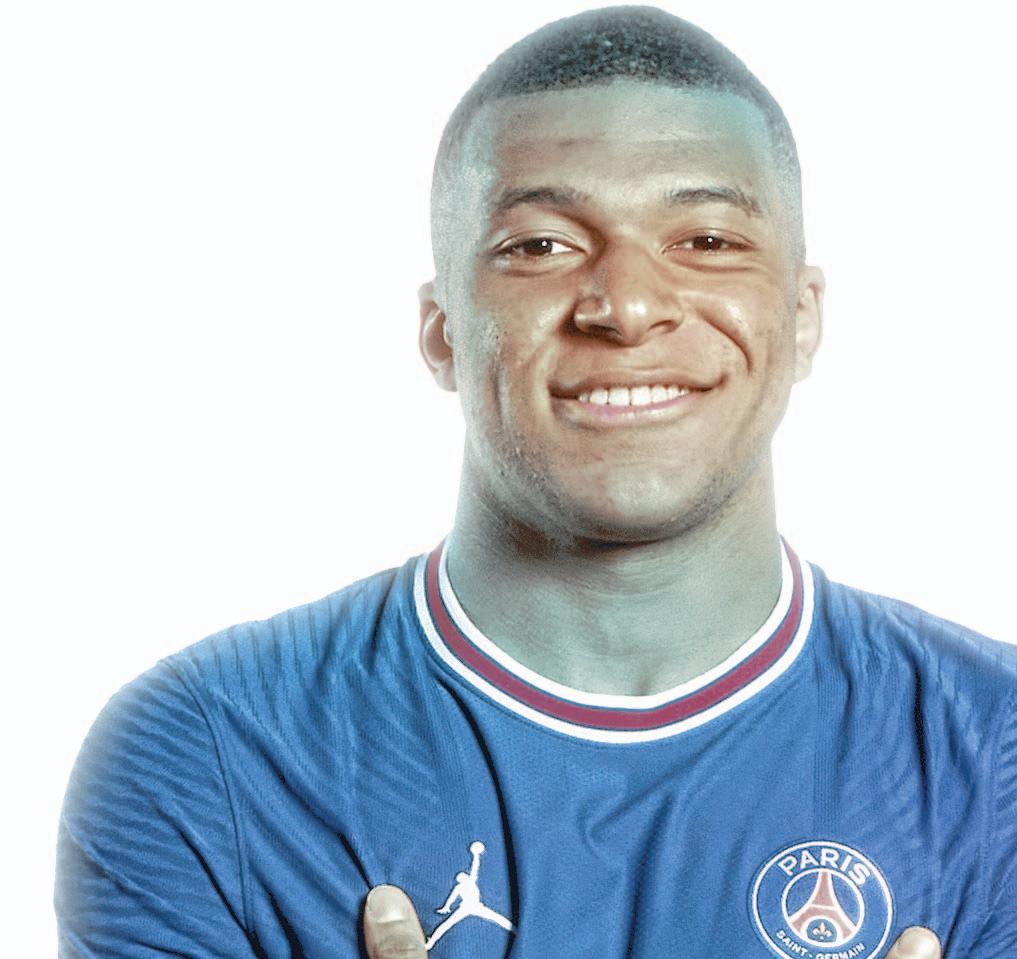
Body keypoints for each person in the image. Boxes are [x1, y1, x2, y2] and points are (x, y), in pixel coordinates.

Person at [54, 7, 1013, 958]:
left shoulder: (996, 750)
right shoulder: (207, 754)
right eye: (541, 246)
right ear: (441, 333)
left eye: (706, 240)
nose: (626, 306)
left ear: (801, 317)